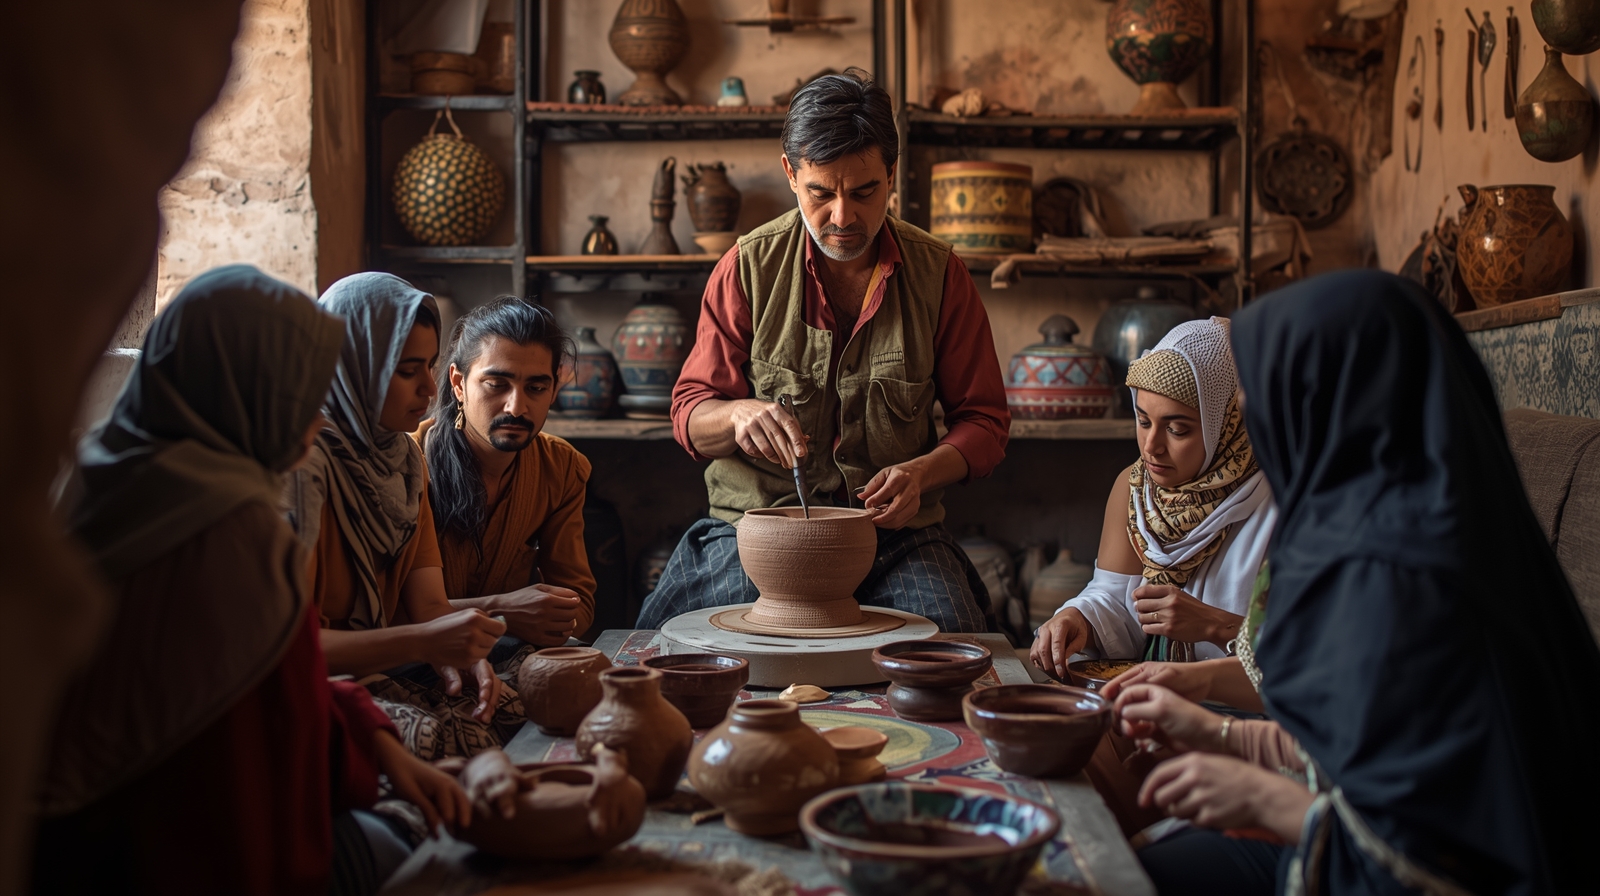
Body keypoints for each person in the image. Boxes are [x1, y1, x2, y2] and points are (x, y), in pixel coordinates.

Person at [1121, 270, 1600, 894]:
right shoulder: (1379, 531)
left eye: (1264, 410)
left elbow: (1441, 849)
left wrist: (1268, 802)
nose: (1258, 435)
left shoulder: (1400, 580)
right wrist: (1214, 729)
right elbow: (1354, 752)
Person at [33, 266, 470, 895]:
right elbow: (278, 729)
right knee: (433, 840)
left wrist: (383, 747)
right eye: (300, 392)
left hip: (76, 835)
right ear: (242, 392)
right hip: (163, 848)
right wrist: (378, 761)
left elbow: (278, 669)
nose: (315, 417)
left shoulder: (102, 476)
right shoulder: (228, 531)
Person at [636, 70, 1010, 633]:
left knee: (949, 645)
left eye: (864, 192)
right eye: (821, 192)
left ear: (891, 174)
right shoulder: (746, 268)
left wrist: (921, 473)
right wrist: (738, 415)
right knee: (668, 652)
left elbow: (984, 422)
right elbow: (690, 414)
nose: (842, 217)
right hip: (757, 534)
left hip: (892, 539)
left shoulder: (939, 275)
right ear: (791, 174)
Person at [285, 272, 520, 760]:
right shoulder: (302, 466)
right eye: (407, 370)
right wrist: (425, 643)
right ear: (353, 365)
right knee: (453, 746)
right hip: (306, 686)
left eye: (431, 366)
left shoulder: (405, 461)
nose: (429, 387)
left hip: (382, 668)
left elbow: (429, 605)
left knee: (518, 704)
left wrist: (467, 656)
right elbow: (291, 649)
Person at [1031, 316, 1275, 677]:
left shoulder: (1279, 503)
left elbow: (1316, 654)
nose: (1152, 447)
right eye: (1143, 421)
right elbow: (1115, 599)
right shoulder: (1136, 491)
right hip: (1156, 703)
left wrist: (1216, 626)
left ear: (1227, 426)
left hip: (1241, 719)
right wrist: (1079, 618)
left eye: (1177, 430)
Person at [423, 298, 595, 644]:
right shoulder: (409, 466)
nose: (517, 407)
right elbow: (387, 615)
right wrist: (506, 610)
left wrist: (550, 615)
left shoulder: (561, 468)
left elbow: (578, 604)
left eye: (536, 388)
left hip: (506, 652)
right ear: (458, 383)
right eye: (496, 384)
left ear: (553, 389)